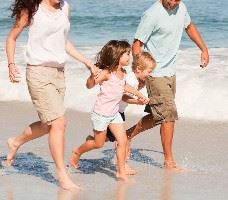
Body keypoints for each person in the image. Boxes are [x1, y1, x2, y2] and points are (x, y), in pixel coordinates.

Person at [5, 0, 97, 190]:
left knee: (49, 125)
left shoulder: (65, 7)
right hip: (38, 72)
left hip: (59, 74)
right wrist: (11, 64)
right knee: (59, 122)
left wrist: (86, 62)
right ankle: (62, 176)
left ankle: (15, 141)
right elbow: (12, 37)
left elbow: (63, 42)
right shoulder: (33, 8)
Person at [127, 0, 209, 169]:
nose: (173, 2)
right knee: (169, 115)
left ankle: (126, 135)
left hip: (171, 72)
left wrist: (203, 49)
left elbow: (190, 26)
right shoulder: (152, 14)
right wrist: (141, 74)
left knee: (159, 116)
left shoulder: (182, 7)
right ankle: (169, 161)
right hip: (154, 73)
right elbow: (136, 45)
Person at [69, 40, 147, 182]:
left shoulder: (123, 72)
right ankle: (77, 151)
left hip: (115, 113)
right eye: (127, 54)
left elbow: (124, 85)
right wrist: (92, 76)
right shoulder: (106, 73)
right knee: (98, 144)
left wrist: (138, 94)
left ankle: (120, 172)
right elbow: (89, 86)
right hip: (101, 114)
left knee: (122, 141)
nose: (129, 57)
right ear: (117, 56)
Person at [84, 52, 156, 175]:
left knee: (109, 139)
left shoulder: (134, 79)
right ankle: (122, 166)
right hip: (114, 112)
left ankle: (92, 140)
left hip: (117, 111)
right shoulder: (131, 80)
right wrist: (137, 102)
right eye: (149, 71)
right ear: (139, 69)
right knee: (122, 140)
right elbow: (123, 97)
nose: (150, 74)